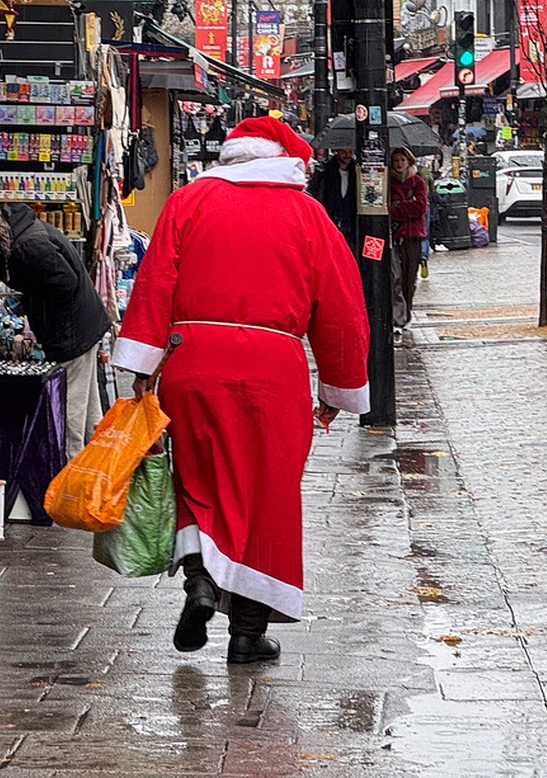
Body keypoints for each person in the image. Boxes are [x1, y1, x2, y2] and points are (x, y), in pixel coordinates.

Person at [111, 117, 370, 665]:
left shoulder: (188, 201)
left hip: (192, 363)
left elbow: (154, 282)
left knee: (200, 479)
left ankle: (201, 580)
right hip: (273, 371)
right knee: (268, 496)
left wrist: (143, 364)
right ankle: (248, 635)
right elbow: (343, 310)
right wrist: (339, 386)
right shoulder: (308, 216)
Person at [0, 202, 112, 460]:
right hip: (82, 326)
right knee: (88, 411)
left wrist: (32, 302)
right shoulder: (26, 233)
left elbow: (64, 283)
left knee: (69, 410)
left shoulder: (28, 247)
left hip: (72, 333)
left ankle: (70, 472)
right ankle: (95, 470)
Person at [389, 147, 429, 340]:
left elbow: (420, 207)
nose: (399, 164)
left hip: (412, 237)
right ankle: (399, 317)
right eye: (396, 160)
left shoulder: (417, 182)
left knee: (409, 279)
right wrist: (406, 207)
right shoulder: (388, 182)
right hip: (394, 236)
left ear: (409, 161)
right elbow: (387, 207)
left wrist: (399, 207)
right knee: (396, 277)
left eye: (402, 160)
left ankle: (407, 312)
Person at [306, 148, 359, 250]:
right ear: (337, 151)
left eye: (350, 152)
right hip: (330, 216)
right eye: (344, 152)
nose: (347, 155)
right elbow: (315, 194)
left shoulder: (356, 172)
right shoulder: (324, 171)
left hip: (350, 221)